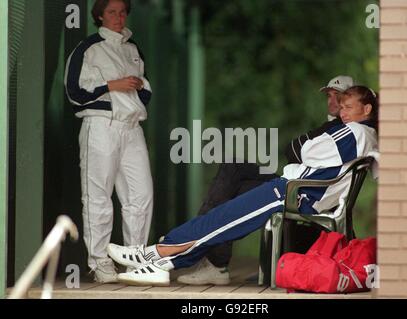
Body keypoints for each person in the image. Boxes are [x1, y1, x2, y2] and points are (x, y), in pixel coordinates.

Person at [107, 85, 379, 286]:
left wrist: (311, 142)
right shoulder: (362, 134)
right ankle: (158, 258)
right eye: (341, 107)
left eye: (348, 107)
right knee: (221, 221)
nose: (342, 113)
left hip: (296, 193)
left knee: (221, 221)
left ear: (366, 110)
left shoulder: (356, 132)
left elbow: (307, 150)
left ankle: (155, 256)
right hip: (294, 189)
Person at [171, 75, 355, 286]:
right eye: (329, 95)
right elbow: (293, 149)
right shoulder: (333, 126)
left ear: (352, 102)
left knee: (234, 179)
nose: (333, 101)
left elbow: (294, 149)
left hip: (301, 190)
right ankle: (212, 260)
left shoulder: (344, 130)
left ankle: (212, 261)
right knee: (234, 170)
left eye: (339, 97)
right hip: (295, 181)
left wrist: (307, 141)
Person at [64, 0, 154, 283]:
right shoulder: (88, 48)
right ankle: (100, 262)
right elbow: (74, 93)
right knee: (98, 197)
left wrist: (136, 88)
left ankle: (135, 260)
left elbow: (146, 90)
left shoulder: (133, 49)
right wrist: (112, 86)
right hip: (100, 126)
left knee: (141, 196)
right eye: (112, 12)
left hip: (132, 127)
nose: (119, 17)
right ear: (99, 15)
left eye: (123, 11)